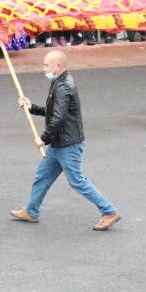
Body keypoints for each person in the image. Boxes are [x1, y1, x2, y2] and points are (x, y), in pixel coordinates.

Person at [10, 50, 121, 230]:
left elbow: (58, 118)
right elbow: (54, 112)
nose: (43, 68)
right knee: (43, 176)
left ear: (58, 67)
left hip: (67, 145)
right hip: (59, 143)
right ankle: (31, 211)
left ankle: (109, 211)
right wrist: (32, 108)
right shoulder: (59, 82)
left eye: (46, 65)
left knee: (78, 181)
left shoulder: (62, 87)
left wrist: (43, 139)